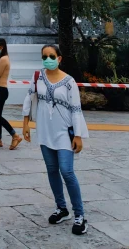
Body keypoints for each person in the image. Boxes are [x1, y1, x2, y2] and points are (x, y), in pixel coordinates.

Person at [22, 44, 89, 236]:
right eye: (45, 56)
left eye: (52, 56)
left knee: (67, 171)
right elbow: (29, 98)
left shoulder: (69, 82)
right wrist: (25, 124)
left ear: (59, 58)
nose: (48, 59)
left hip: (64, 132)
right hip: (45, 130)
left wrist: (78, 135)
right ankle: (62, 208)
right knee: (52, 170)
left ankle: (80, 216)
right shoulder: (37, 77)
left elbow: (76, 109)